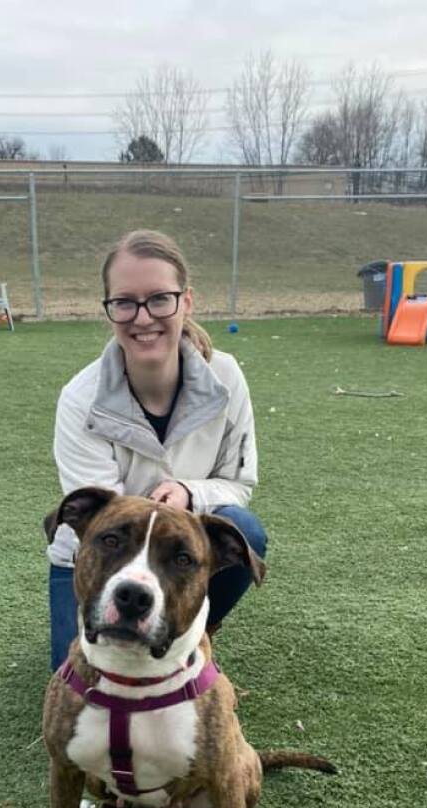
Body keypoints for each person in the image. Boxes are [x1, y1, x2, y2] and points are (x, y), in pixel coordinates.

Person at [46, 229, 266, 670]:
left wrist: (188, 493)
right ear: (108, 309)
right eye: (125, 302)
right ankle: (126, 618)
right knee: (80, 681)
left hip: (174, 556)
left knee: (244, 529)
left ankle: (188, 630)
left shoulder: (225, 377)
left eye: (159, 299)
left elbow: (238, 484)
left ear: (186, 302)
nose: (142, 317)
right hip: (103, 557)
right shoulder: (80, 398)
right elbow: (98, 526)